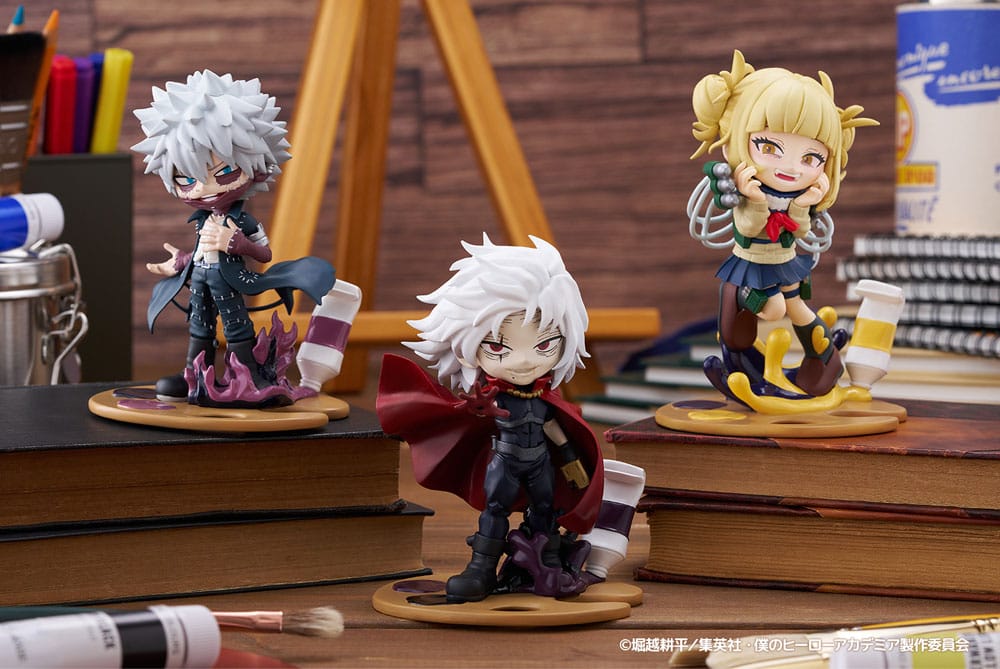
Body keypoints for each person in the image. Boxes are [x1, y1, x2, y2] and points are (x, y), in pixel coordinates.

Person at [377, 234, 603, 603]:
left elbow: (553, 426)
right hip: (505, 460)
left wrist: (569, 458)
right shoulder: (491, 396)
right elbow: (473, 418)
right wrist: (478, 410)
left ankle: (547, 564)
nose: (524, 360)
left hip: (541, 462)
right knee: (494, 512)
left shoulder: (544, 398)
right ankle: (481, 568)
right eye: (499, 347)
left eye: (544, 344)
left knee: (545, 511)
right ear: (465, 347)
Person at [132, 70, 335, 403]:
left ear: (258, 167)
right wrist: (180, 262)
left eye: (224, 171)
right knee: (200, 326)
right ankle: (194, 374)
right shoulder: (201, 220)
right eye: (187, 179)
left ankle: (248, 375)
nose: (204, 188)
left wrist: (236, 244)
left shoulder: (243, 221)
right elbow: (201, 251)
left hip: (230, 282)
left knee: (236, 324)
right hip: (200, 280)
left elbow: (265, 254)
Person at [690, 50, 877, 396]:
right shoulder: (743, 192)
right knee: (775, 308)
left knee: (799, 308)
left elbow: (800, 231)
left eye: (811, 158)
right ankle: (745, 302)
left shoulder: (799, 197)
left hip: (785, 262)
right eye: (769, 147)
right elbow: (748, 228)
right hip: (752, 265)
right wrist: (757, 200)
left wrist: (803, 205)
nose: (791, 167)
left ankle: (824, 361)